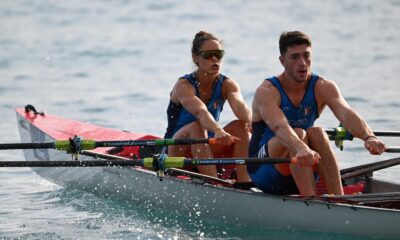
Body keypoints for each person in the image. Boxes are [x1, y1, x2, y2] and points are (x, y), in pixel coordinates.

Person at [248, 31, 387, 196]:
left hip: (303, 165)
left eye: (306, 56)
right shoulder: (268, 91)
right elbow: (279, 126)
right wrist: (300, 147)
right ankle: (311, 202)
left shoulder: (323, 86)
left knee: (317, 132)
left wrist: (368, 137)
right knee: (298, 133)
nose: (302, 63)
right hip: (264, 169)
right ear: (282, 60)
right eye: (295, 57)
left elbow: (346, 113)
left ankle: (338, 199)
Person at [164, 31, 252, 183]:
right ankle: (213, 183)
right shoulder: (183, 85)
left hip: (206, 147)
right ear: (195, 58)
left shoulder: (227, 85)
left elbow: (242, 110)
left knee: (242, 126)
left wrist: (255, 125)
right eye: (208, 54)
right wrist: (218, 130)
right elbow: (201, 112)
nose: (215, 59)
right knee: (197, 126)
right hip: (177, 150)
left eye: (218, 54)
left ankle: (245, 183)